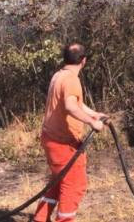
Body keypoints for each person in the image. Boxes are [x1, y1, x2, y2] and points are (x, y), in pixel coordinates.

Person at [34, 43, 108, 222]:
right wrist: (92, 123)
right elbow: (70, 106)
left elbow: (75, 103)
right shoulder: (71, 80)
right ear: (84, 61)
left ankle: (40, 218)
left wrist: (94, 114)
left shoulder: (59, 75)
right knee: (74, 184)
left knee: (58, 181)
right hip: (63, 143)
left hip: (51, 138)